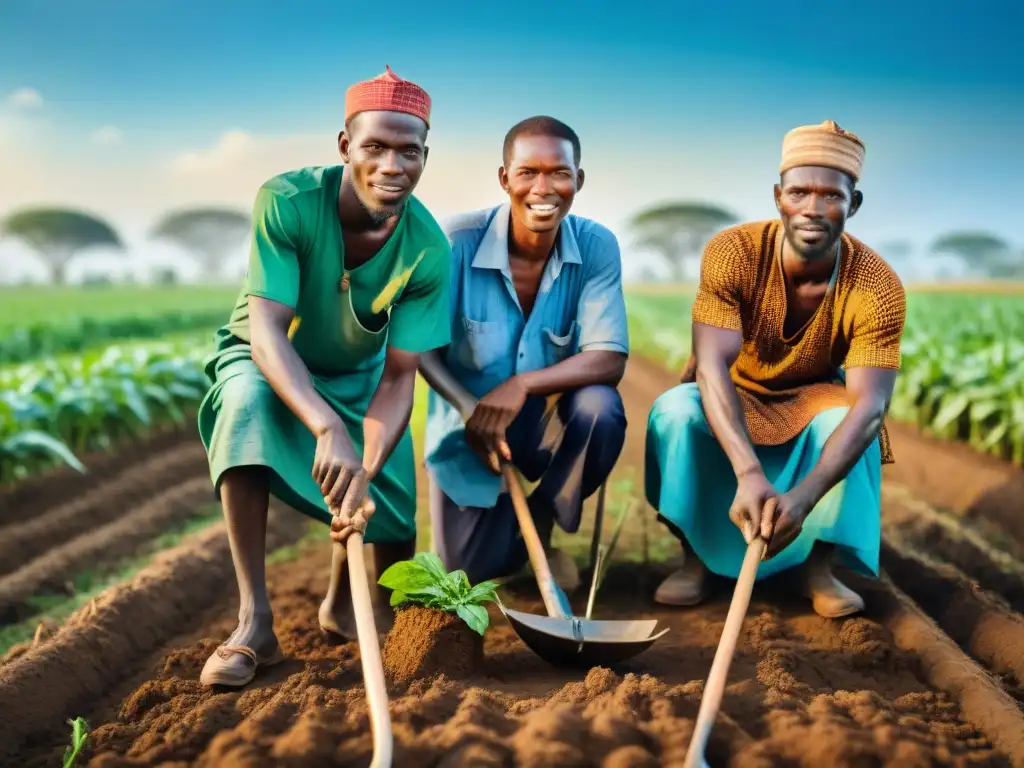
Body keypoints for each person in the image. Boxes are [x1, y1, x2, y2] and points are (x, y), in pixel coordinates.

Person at [196, 66, 451, 687]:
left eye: (408, 152)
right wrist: (325, 425)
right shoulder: (286, 201)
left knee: (390, 511)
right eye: (375, 147)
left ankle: (343, 600)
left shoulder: (428, 249)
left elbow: (398, 380)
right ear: (345, 146)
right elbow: (266, 334)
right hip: (268, 358)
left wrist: (363, 458)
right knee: (248, 407)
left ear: (425, 157)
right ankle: (254, 621)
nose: (392, 165)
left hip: (360, 374)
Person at [645, 120, 906, 618]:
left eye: (831, 196)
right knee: (675, 412)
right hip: (734, 384)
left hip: (814, 396)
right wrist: (747, 472)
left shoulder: (877, 286)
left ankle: (818, 568)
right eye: (799, 192)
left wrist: (804, 498)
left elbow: (871, 403)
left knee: (853, 423)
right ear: (777, 196)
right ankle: (694, 559)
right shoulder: (733, 252)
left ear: (854, 204)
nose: (812, 208)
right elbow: (711, 366)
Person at [419, 116, 629, 591]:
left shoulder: (597, 246)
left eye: (559, 172)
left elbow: (609, 357)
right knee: (472, 570)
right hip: (468, 424)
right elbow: (424, 352)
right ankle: (512, 540)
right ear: (504, 179)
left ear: (578, 179)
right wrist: (470, 408)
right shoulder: (456, 241)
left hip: (548, 420)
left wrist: (522, 385)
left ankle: (542, 522)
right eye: (527, 172)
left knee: (599, 408)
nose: (544, 188)